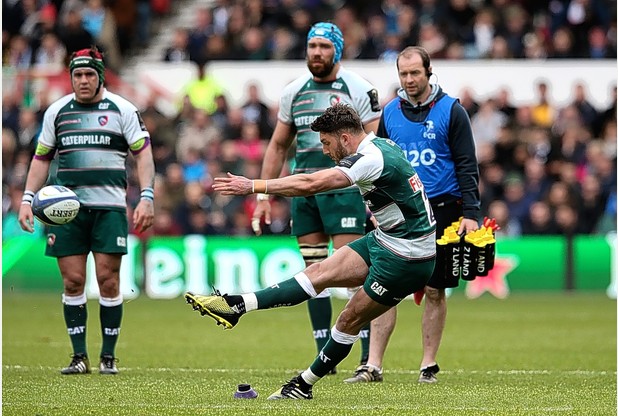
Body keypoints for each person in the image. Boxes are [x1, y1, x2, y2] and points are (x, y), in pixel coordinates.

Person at [187, 103, 436, 399]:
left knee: (348, 319)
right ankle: (236, 305)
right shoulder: (381, 146)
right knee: (316, 273)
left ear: (345, 138)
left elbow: (311, 183)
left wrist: (254, 185)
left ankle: (303, 384)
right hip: (387, 239)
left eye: (326, 143)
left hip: (407, 258)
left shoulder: (368, 159)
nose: (325, 151)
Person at [250, 22, 382, 372]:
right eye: (312, 47)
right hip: (303, 189)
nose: (317, 53)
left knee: (355, 273)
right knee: (313, 272)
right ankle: (326, 353)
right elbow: (278, 144)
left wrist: (376, 195)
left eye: (324, 47)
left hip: (344, 188)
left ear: (337, 50)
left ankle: (367, 358)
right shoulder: (293, 91)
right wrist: (263, 195)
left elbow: (375, 145)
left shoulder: (359, 88)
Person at [18, 46, 155, 375]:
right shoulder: (57, 112)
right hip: (66, 212)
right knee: (74, 281)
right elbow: (41, 158)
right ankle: (79, 357)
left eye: (89, 74)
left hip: (109, 209)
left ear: (100, 77)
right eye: (77, 75)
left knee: (108, 281)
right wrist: (26, 197)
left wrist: (147, 196)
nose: (83, 80)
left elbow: (144, 155)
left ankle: (108, 357)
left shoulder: (122, 109)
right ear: (71, 78)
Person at [354, 46, 480, 384]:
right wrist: (374, 207)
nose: (409, 80)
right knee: (384, 285)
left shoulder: (452, 111)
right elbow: (375, 164)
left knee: (436, 289)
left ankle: (428, 364)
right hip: (397, 211)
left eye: (415, 73)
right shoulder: (390, 112)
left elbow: (467, 165)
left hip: (443, 209)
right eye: (404, 74)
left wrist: (472, 213)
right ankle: (373, 365)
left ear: (428, 72)